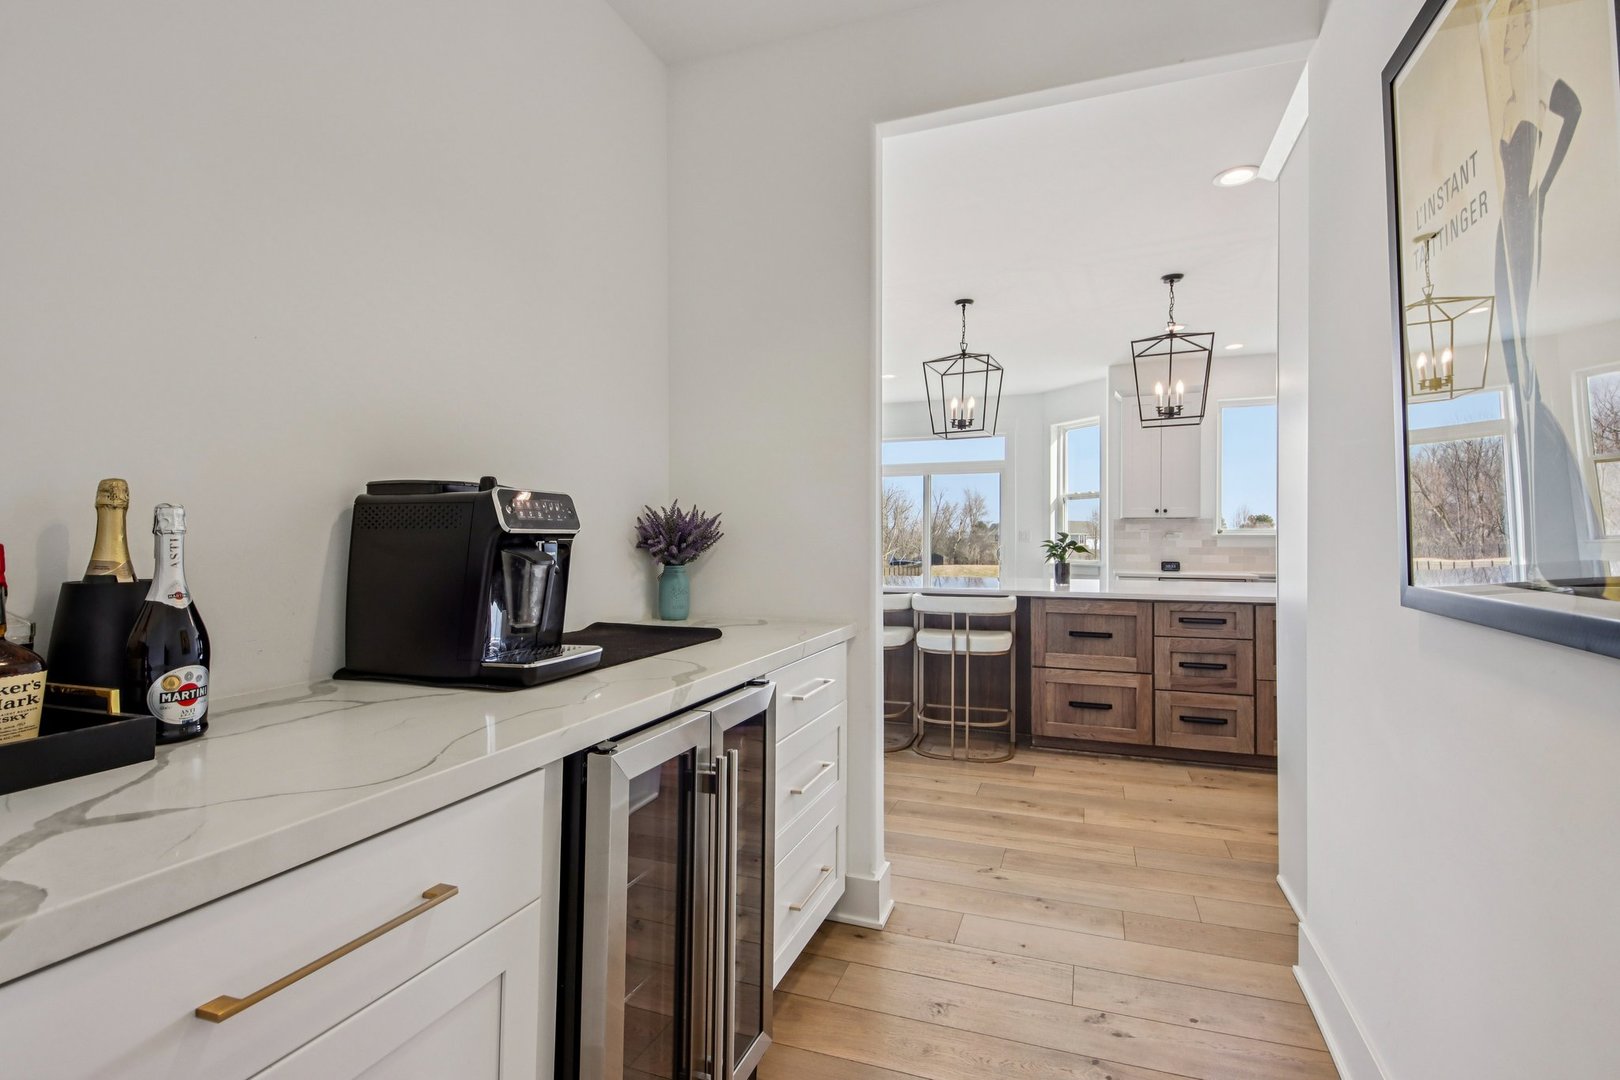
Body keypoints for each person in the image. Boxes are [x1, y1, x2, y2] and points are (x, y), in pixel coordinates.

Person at [1477, 0, 1602, 581]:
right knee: (1515, 363)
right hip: (1508, 219)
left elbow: (1574, 108)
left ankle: (1559, 546)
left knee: (1522, 361)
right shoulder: (1503, 94)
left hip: (1523, 216)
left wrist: (1545, 186)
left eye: (1520, 23)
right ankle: (1548, 544)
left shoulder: (1533, 86)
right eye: (1509, 26)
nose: (1513, 35)